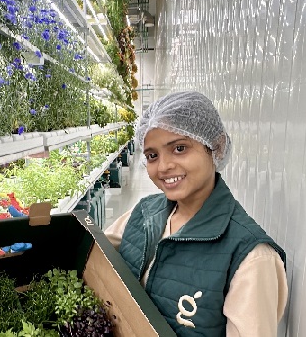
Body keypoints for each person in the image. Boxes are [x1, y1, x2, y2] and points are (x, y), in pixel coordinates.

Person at [104, 91, 288, 337]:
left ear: (216, 146)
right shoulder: (143, 213)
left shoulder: (251, 258)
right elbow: (95, 256)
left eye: (180, 148)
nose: (164, 166)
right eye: (152, 155)